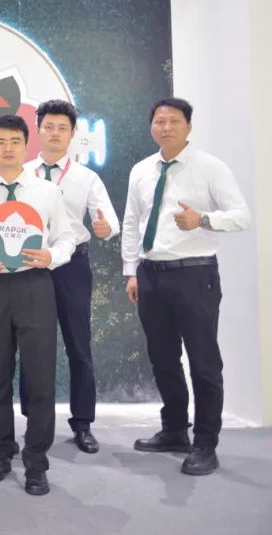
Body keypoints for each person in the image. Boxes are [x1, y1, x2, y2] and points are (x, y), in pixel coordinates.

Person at [122, 97, 250, 476]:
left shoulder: (210, 167)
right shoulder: (141, 170)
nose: (166, 127)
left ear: (188, 127)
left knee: (203, 361)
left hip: (195, 275)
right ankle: (175, 429)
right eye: (159, 121)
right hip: (150, 274)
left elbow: (241, 216)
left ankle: (206, 443)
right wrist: (131, 271)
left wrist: (203, 220)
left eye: (174, 121)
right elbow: (132, 221)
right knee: (162, 358)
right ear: (152, 127)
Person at [0, 114, 75, 496]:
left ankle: (36, 462)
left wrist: (51, 256)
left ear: (27, 146)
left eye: (15, 141)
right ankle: (0, 451)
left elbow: (67, 238)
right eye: (0, 142)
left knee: (40, 378)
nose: (8, 149)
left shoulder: (47, 191)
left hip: (35, 285)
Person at [23, 100, 119, 454]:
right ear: (38, 129)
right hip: (30, 266)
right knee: (32, 346)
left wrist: (105, 228)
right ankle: (34, 420)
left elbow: (109, 221)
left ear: (72, 133)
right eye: (48, 126)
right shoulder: (23, 173)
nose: (55, 133)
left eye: (62, 128)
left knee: (79, 345)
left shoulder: (86, 177)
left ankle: (83, 423)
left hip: (72, 267)